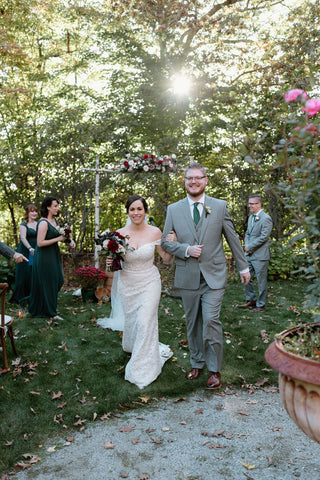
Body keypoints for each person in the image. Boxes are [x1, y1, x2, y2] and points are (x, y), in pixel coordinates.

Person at [161, 162, 250, 390]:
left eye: (198, 178)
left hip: (214, 275)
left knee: (211, 320)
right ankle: (196, 362)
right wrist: (186, 250)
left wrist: (243, 267)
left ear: (206, 180)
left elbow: (232, 238)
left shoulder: (219, 206)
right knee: (193, 323)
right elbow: (165, 243)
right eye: (189, 178)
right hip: (187, 275)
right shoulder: (173, 209)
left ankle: (214, 369)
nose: (193, 182)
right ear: (185, 181)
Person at [98, 194, 174, 389]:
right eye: (132, 209)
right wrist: (110, 260)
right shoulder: (118, 235)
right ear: (128, 212)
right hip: (128, 283)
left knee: (145, 320)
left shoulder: (155, 232)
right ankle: (133, 346)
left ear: (145, 211)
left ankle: (142, 367)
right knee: (133, 320)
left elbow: (166, 259)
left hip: (149, 281)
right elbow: (116, 263)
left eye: (139, 209)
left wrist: (172, 244)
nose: (136, 213)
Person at [28, 196, 75, 320]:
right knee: (49, 282)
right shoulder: (43, 223)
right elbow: (39, 243)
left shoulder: (55, 221)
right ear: (48, 207)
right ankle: (51, 313)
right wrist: (59, 239)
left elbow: (60, 235)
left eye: (57, 206)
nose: (57, 208)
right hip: (44, 256)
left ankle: (45, 307)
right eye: (55, 206)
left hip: (53, 254)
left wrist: (69, 241)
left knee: (58, 280)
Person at [238, 194, 273, 312]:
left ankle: (261, 304)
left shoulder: (266, 218)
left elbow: (264, 237)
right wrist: (247, 246)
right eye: (249, 203)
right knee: (246, 277)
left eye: (252, 204)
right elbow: (247, 233)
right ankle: (251, 299)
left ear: (259, 204)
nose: (249, 206)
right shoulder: (251, 218)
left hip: (260, 256)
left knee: (261, 281)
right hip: (249, 254)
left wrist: (251, 246)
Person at [10, 205, 38, 305]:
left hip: (36, 250)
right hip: (26, 250)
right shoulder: (24, 224)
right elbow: (23, 238)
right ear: (27, 213)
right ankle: (21, 297)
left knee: (33, 272)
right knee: (25, 273)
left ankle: (32, 296)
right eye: (32, 211)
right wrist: (30, 248)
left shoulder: (38, 223)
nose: (34, 213)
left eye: (35, 211)